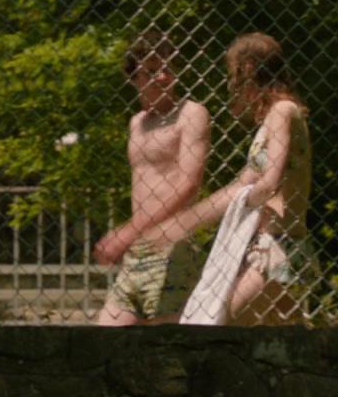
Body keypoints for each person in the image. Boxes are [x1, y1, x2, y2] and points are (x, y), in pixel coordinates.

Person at [145, 33, 313, 325]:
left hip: (278, 249)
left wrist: (246, 199)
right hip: (264, 248)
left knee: (222, 324)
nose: (232, 84)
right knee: (279, 334)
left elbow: (269, 182)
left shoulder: (283, 112)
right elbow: (239, 186)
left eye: (234, 74)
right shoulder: (270, 121)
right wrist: (182, 224)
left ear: (248, 68)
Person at [91, 32, 211, 325]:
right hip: (137, 251)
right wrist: (132, 236)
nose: (163, 77)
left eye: (168, 68)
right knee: (104, 337)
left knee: (165, 344)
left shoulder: (191, 114)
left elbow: (189, 183)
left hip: (172, 246)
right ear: (134, 78)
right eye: (152, 70)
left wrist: (128, 231)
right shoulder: (137, 123)